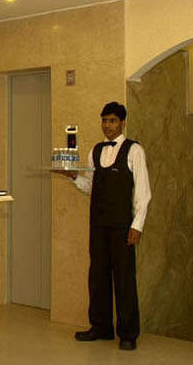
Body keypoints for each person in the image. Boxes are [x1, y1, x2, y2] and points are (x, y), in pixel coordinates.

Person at [55, 101, 151, 351]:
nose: (107, 126)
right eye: (105, 121)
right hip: (98, 224)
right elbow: (91, 186)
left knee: (124, 278)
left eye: (112, 121)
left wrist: (137, 225)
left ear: (122, 123)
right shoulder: (95, 151)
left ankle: (128, 333)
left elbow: (143, 192)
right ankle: (101, 327)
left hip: (122, 225)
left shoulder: (134, 151)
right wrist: (73, 176)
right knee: (97, 276)